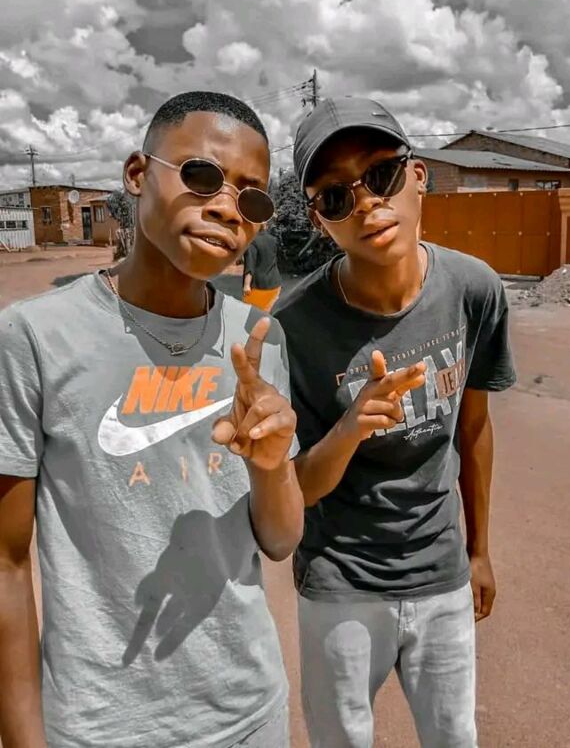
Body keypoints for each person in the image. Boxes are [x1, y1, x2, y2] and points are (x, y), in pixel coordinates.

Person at [0, 91, 304, 748]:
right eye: (202, 175)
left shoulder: (258, 341)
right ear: (138, 175)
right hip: (102, 726)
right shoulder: (34, 337)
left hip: (249, 713)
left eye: (252, 198)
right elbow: (6, 561)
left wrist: (271, 465)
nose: (226, 206)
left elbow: (280, 540)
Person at [274, 96, 516, 748]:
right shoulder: (294, 326)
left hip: (441, 571)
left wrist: (479, 551)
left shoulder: (473, 289)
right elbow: (297, 489)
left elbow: (474, 430)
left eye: (380, 175)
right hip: (340, 582)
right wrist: (351, 426)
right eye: (335, 197)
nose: (365, 204)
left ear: (418, 176)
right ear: (320, 220)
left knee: (454, 735)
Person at [243, 224, 282, 311]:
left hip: (259, 286)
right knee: (266, 312)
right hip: (275, 283)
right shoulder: (273, 239)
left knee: (252, 313)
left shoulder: (252, 242)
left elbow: (250, 265)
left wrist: (246, 285)